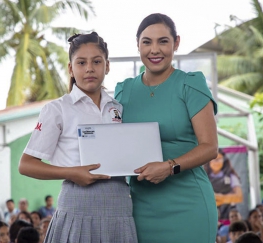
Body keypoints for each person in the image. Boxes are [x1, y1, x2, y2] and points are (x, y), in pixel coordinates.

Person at [18, 32, 137, 243]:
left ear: (107, 66)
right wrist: (72, 173)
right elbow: (26, 165)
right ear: (71, 68)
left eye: (97, 62)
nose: (89, 68)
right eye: (81, 62)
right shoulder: (57, 109)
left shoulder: (117, 107)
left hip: (119, 205)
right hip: (77, 204)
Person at [114, 13, 218, 242]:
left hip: (189, 205)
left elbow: (210, 147)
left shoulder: (190, 83)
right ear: (138, 45)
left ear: (176, 43)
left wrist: (169, 167)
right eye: (147, 42)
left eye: (163, 41)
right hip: (140, 207)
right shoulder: (123, 90)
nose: (155, 50)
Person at [204, 148, 243, 220]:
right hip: (208, 214)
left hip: (228, 216)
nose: (217, 162)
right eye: (214, 159)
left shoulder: (231, 175)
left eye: (219, 159)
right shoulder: (203, 176)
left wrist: (220, 198)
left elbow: (239, 197)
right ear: (209, 161)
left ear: (224, 160)